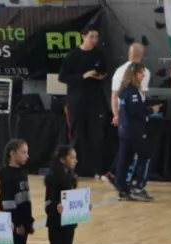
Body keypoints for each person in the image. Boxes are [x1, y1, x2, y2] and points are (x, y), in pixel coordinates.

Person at [58, 26, 108, 178]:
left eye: (96, 37)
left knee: (96, 135)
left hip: (95, 100)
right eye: (91, 37)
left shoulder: (99, 54)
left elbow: (104, 72)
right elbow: (62, 77)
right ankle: (74, 169)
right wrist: (83, 77)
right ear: (83, 36)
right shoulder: (73, 55)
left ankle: (96, 169)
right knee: (77, 135)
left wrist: (99, 76)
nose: (94, 40)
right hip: (77, 101)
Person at [116, 63, 153, 202]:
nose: (143, 76)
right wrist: (150, 111)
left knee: (125, 158)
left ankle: (123, 188)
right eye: (141, 73)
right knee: (145, 156)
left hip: (124, 130)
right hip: (134, 131)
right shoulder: (132, 92)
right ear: (134, 74)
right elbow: (135, 111)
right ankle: (138, 187)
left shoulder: (124, 90)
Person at [110, 43, 150, 129]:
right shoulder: (145, 71)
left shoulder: (119, 71)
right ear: (142, 55)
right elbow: (142, 95)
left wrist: (116, 115)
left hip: (123, 114)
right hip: (137, 115)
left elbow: (114, 95)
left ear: (128, 53)